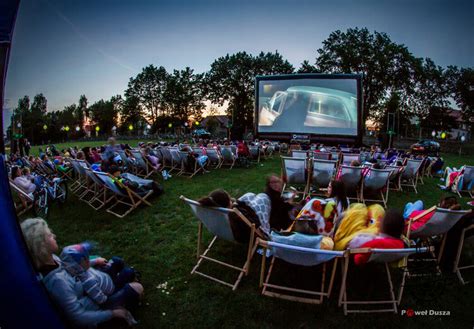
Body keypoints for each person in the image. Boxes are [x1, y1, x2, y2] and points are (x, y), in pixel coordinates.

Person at [20, 218, 142, 327]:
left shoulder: (53, 259)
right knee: (136, 288)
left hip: (92, 286)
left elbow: (72, 266)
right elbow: (78, 317)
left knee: (118, 268)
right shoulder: (57, 282)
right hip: (98, 304)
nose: (54, 235)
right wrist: (112, 314)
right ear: (42, 246)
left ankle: (121, 288)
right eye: (50, 235)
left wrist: (94, 262)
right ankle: (119, 312)